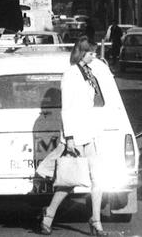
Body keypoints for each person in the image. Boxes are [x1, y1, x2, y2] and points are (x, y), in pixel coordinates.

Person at [39, 37, 108, 236]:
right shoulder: (70, 75)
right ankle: (49, 215)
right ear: (81, 53)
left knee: (98, 179)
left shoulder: (89, 73)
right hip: (75, 135)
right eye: (91, 53)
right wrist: (69, 138)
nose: (94, 56)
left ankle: (96, 220)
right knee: (70, 180)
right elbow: (67, 108)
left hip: (89, 133)